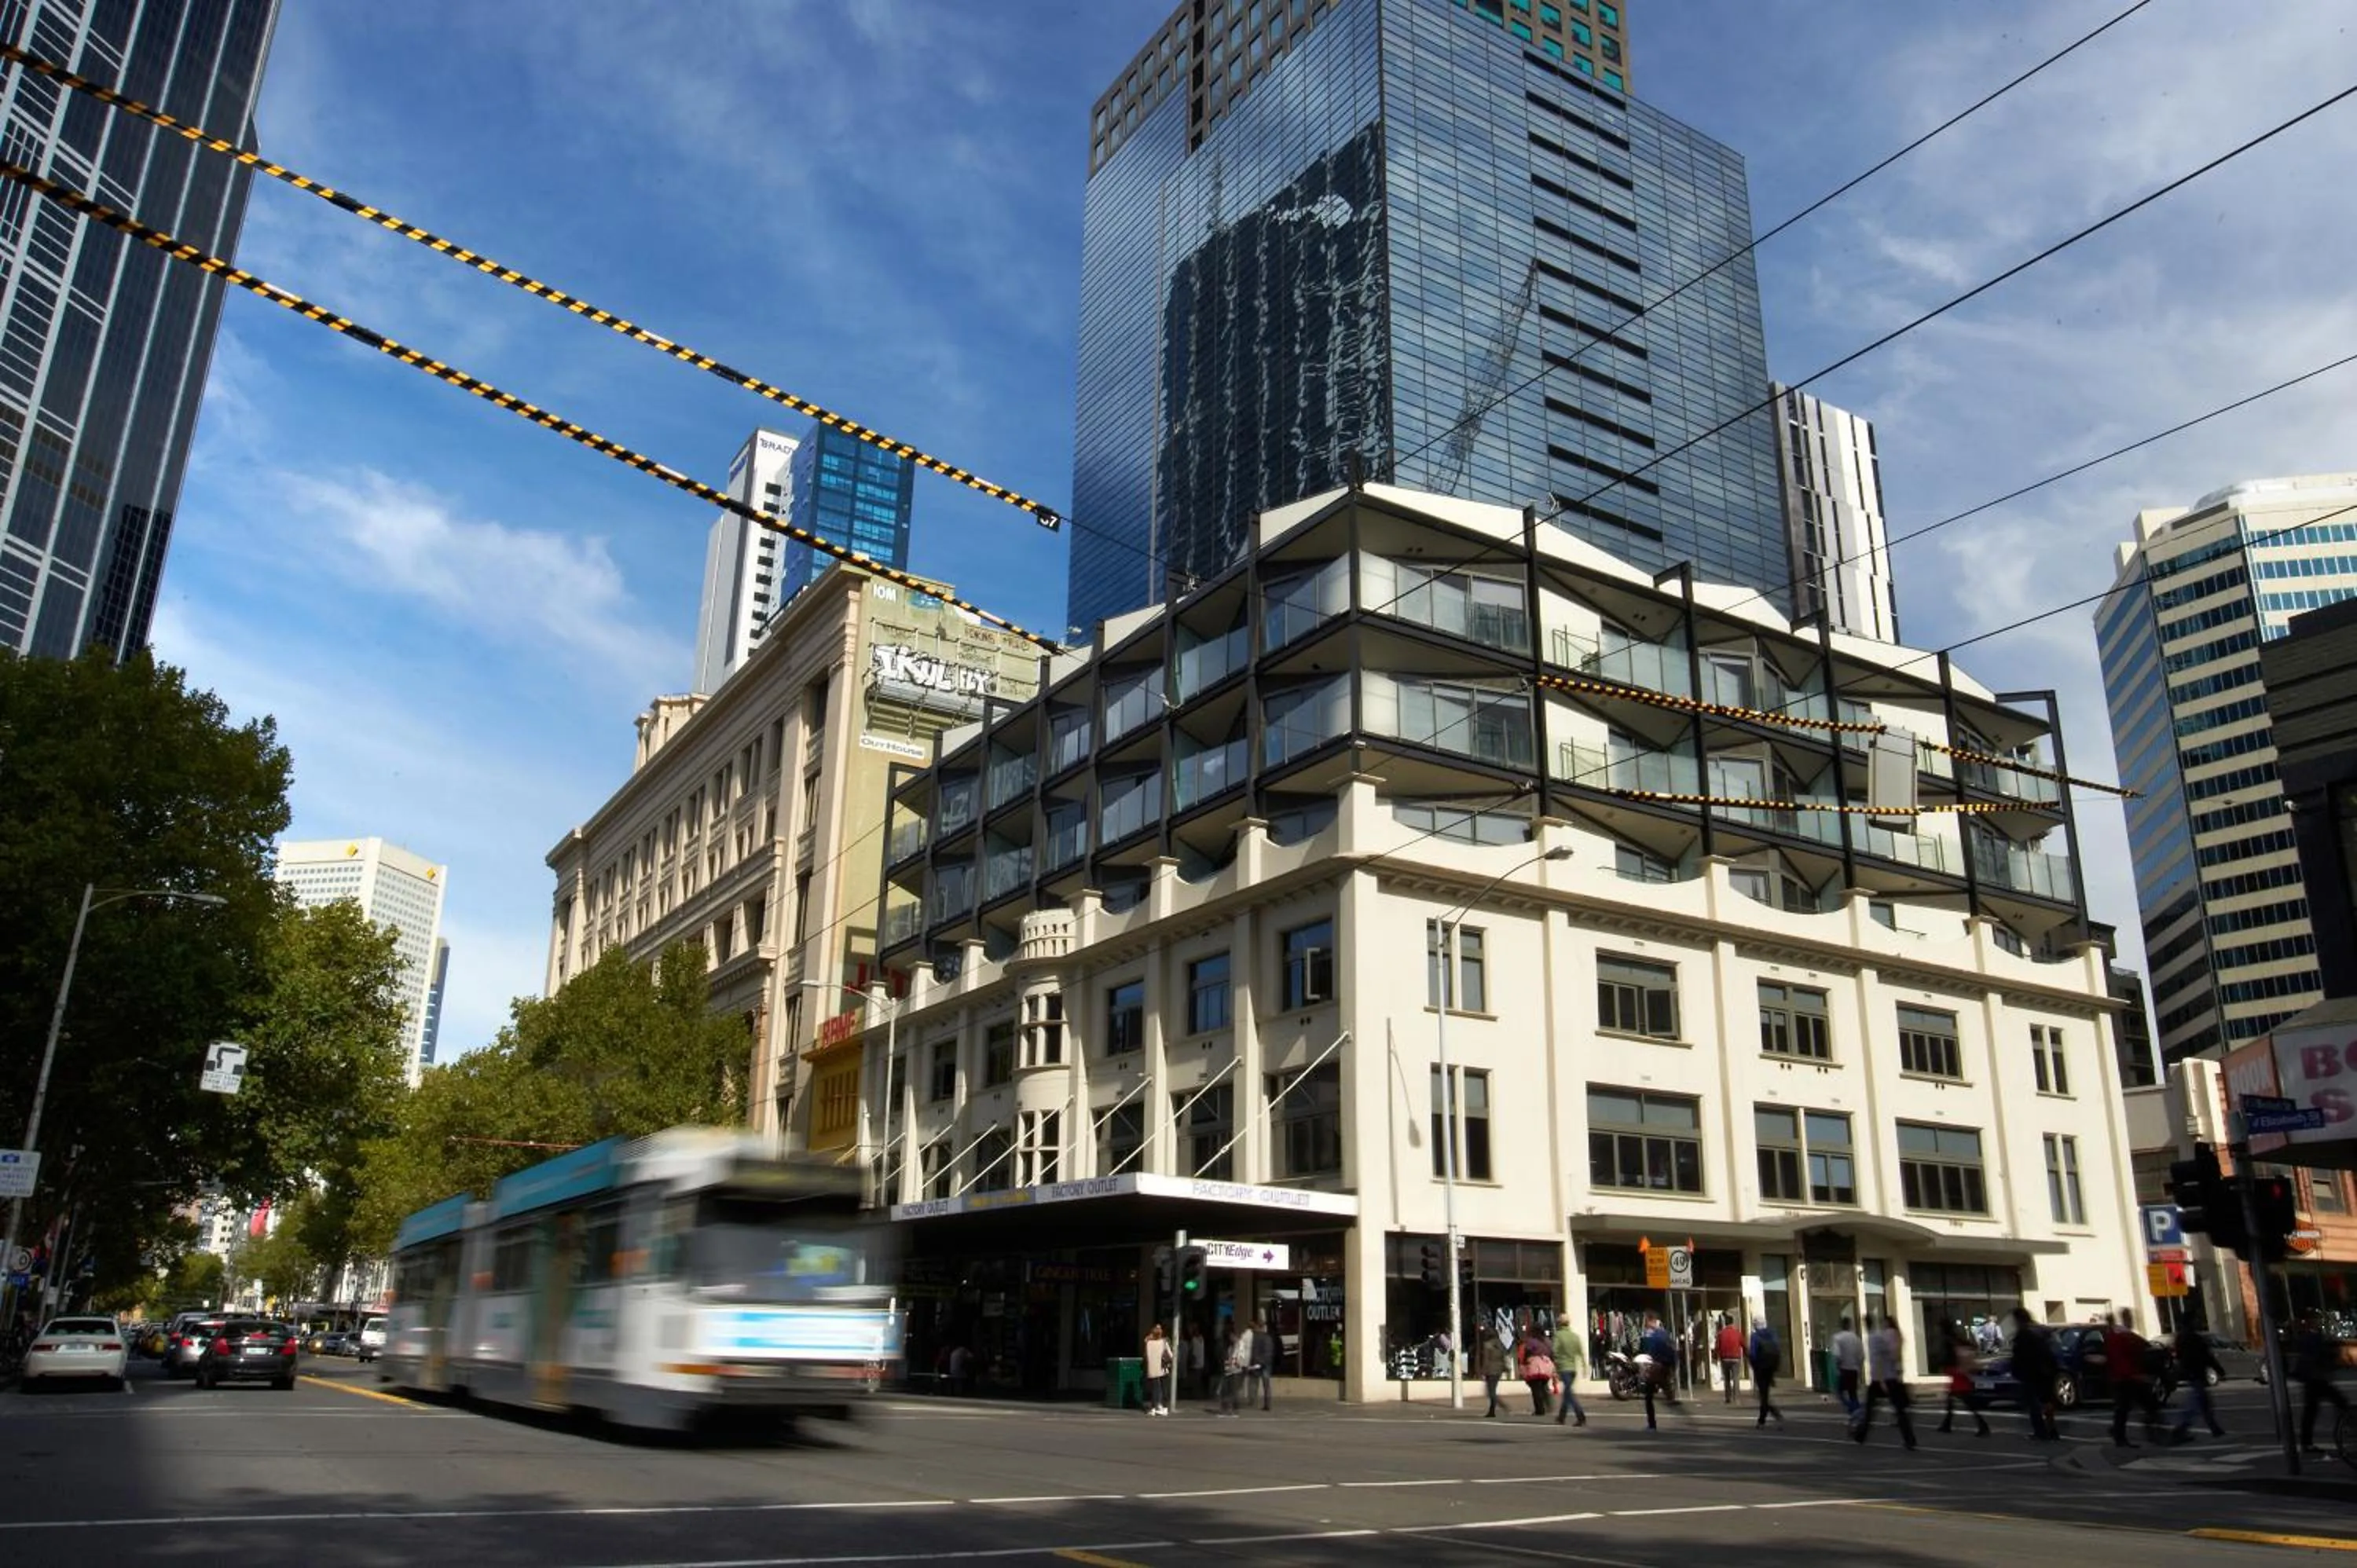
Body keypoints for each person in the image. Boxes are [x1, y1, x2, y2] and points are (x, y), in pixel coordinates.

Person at [1853, 1314, 1916, 1450]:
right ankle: (1909, 1439)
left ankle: (1860, 1434)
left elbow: (1879, 1360)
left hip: (1881, 1379)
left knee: (1870, 1408)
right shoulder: (1891, 1335)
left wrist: (1881, 1379)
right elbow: (1894, 1357)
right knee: (1899, 1410)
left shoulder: (1877, 1337)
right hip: (1890, 1377)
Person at [2293, 1310, 2350, 1454]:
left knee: (2312, 1411)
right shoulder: (2312, 1337)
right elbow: (2319, 1355)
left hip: (2314, 1379)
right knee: (2339, 1403)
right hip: (2316, 1379)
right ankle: (2347, 1429)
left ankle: (2307, 1443)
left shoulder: (2308, 1337)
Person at [2103, 1310, 2161, 1449]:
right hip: (2128, 1377)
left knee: (2124, 1408)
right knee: (2144, 1405)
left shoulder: (2113, 1336)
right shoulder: (2125, 1336)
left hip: (2122, 1377)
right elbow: (2139, 1351)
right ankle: (2150, 1433)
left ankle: (2119, 1433)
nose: (2132, 1320)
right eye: (2129, 1318)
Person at [2168, 1323, 2228, 1443]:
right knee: (2197, 1403)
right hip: (2197, 1373)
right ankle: (2181, 1429)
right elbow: (2207, 1356)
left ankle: (2214, 1428)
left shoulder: (2181, 1338)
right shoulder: (2195, 1339)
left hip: (2191, 1373)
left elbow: (2179, 1356)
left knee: (2201, 1402)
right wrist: (2219, 1370)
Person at [2007, 1309, 2060, 1442]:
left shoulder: (2024, 1333)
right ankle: (2052, 1429)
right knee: (2047, 1401)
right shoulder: (2043, 1330)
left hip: (2031, 1372)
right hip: (2048, 1370)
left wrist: (2016, 1370)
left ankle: (2040, 1432)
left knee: (2033, 1403)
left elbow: (2020, 1355)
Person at [1937, 1324, 1990, 1436]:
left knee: (1966, 1402)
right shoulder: (1956, 1339)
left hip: (1958, 1373)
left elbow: (1949, 1357)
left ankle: (1983, 1426)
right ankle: (1947, 1425)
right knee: (1954, 1401)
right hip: (1959, 1373)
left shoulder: (1949, 1342)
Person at [1638, 1312, 1678, 1431]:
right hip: (1665, 1366)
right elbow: (1672, 1350)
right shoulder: (1664, 1334)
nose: (1645, 1324)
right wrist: (1673, 1365)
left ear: (1651, 1321)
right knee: (1665, 1391)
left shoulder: (1654, 1336)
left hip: (1658, 1366)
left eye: (1646, 1321)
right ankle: (1671, 1400)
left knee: (1649, 1396)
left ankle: (1652, 1424)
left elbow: (1652, 1353)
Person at [1747, 1317, 1785, 1428]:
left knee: (1763, 1395)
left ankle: (1770, 1418)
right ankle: (1764, 1419)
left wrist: (1753, 1364)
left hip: (1761, 1368)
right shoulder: (1772, 1333)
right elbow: (1777, 1349)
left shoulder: (1755, 1336)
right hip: (1771, 1367)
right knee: (1764, 1394)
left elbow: (1753, 1354)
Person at [1552, 1315, 1589, 1427]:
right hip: (1573, 1369)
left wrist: (1556, 1366)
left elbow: (1555, 1351)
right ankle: (1561, 1417)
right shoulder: (1575, 1336)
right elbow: (1581, 1352)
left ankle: (1580, 1416)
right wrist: (1584, 1366)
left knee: (1569, 1394)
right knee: (1567, 1393)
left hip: (1564, 1367)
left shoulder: (1558, 1335)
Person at [1830, 1316, 1864, 1416]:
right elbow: (1861, 1355)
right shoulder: (1856, 1338)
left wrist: (1837, 1367)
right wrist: (1859, 1367)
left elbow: (1837, 1355)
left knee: (1839, 1392)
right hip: (1854, 1369)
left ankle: (1853, 1408)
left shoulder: (1837, 1337)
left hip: (1844, 1369)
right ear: (1850, 1326)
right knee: (1853, 1393)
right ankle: (1855, 1411)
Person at [1519, 1328, 1556, 1417]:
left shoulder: (1532, 1342)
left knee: (1536, 1390)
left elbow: (1527, 1352)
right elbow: (1552, 1353)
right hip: (1546, 1367)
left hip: (1535, 1367)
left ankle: (1539, 1409)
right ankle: (1546, 1406)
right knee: (1543, 1388)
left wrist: (1524, 1363)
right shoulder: (1547, 1341)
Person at [1143, 1323, 1173, 1417]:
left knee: (1154, 1388)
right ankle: (1161, 1406)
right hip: (1162, 1368)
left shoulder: (1148, 1343)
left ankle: (1153, 1407)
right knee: (1163, 1388)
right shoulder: (1164, 1342)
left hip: (1152, 1369)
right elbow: (1171, 1356)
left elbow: (1146, 1356)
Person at [1218, 1321, 1247, 1416]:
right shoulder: (1231, 1346)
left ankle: (1233, 1409)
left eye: (1232, 1336)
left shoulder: (1239, 1346)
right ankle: (1226, 1409)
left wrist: (1234, 1362)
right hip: (1229, 1370)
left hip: (1235, 1371)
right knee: (1226, 1391)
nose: (1230, 1338)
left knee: (1232, 1391)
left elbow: (1240, 1358)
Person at [1477, 1327, 1508, 1418]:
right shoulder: (1500, 1344)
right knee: (1492, 1390)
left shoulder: (1487, 1345)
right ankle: (1492, 1411)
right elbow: (1504, 1357)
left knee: (1490, 1392)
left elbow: (1486, 1359)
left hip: (1491, 1370)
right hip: (1499, 1369)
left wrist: (1483, 1371)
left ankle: (1501, 1406)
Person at [1714, 1315, 1745, 1404]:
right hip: (1736, 1358)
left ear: (1725, 1323)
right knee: (1736, 1378)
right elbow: (1743, 1344)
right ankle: (1737, 1398)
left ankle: (1728, 1397)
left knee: (1727, 1379)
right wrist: (1747, 1354)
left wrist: (1716, 1357)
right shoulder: (1737, 1333)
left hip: (1725, 1358)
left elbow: (1717, 1347)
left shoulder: (1721, 1334)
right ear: (1732, 1323)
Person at [1249, 1316, 1276, 1412]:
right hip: (1265, 1364)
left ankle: (1252, 1402)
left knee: (1254, 1383)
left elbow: (1253, 1351)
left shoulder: (1256, 1338)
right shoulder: (1267, 1338)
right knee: (1266, 1385)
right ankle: (1266, 1404)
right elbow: (1269, 1352)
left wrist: (1256, 1361)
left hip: (1259, 1363)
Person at [1185, 1324, 1206, 1399]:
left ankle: (1195, 1396)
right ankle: (1197, 1395)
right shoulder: (1201, 1339)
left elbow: (1192, 1352)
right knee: (1198, 1381)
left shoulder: (1194, 1340)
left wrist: (1189, 1361)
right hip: (1201, 1363)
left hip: (1195, 1363)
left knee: (1195, 1381)